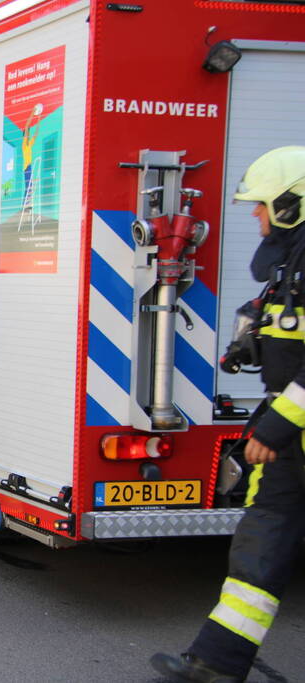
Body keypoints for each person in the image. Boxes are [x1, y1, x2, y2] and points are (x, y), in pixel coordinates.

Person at [152, 146, 305, 683]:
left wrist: (279, 424)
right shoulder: (293, 264)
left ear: (291, 203)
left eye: (261, 207)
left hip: (291, 427)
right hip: (292, 434)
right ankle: (217, 662)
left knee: (269, 531)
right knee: (264, 538)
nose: (255, 217)